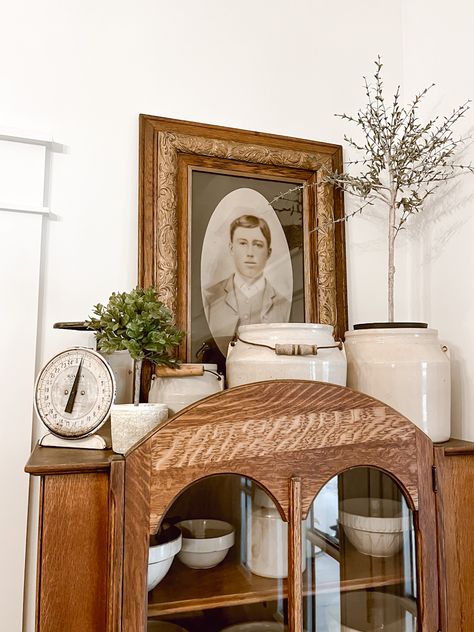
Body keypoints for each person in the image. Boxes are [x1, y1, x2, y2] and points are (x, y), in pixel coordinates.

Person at [203, 214, 291, 352]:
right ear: (232, 248)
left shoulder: (284, 304)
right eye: (243, 243)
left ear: (268, 252)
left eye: (258, 245)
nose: (250, 253)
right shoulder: (211, 297)